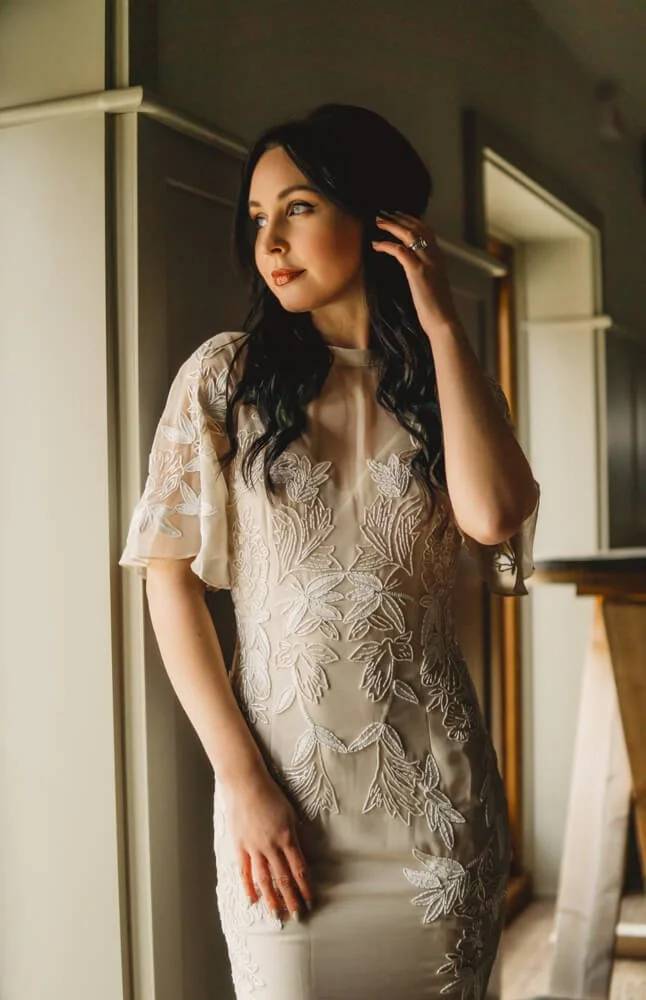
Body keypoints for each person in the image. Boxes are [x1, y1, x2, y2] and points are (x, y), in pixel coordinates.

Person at [120, 102, 540, 1000]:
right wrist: (241, 780)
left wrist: (442, 325)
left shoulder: (448, 384)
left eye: (299, 207)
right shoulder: (224, 377)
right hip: (284, 817)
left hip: (439, 816)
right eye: (259, 217)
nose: (270, 240)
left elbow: (496, 514)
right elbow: (168, 581)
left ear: (378, 215)